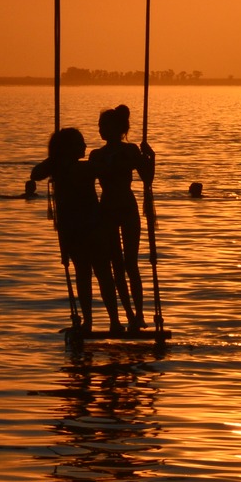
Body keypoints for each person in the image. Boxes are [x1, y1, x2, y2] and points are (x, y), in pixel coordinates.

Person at [30, 127, 129, 336]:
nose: (85, 146)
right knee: (93, 275)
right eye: (80, 143)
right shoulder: (69, 169)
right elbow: (35, 174)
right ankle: (100, 322)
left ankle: (108, 321)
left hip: (86, 228)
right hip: (80, 230)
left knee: (95, 275)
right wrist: (54, 161)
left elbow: (106, 169)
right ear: (69, 149)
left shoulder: (78, 168)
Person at [88, 105, 154, 330]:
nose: (100, 130)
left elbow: (147, 179)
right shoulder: (96, 155)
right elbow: (88, 178)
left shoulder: (130, 150)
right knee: (116, 264)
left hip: (126, 207)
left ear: (116, 128)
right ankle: (126, 314)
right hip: (107, 209)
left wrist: (150, 157)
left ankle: (139, 315)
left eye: (104, 126)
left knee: (130, 263)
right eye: (99, 126)